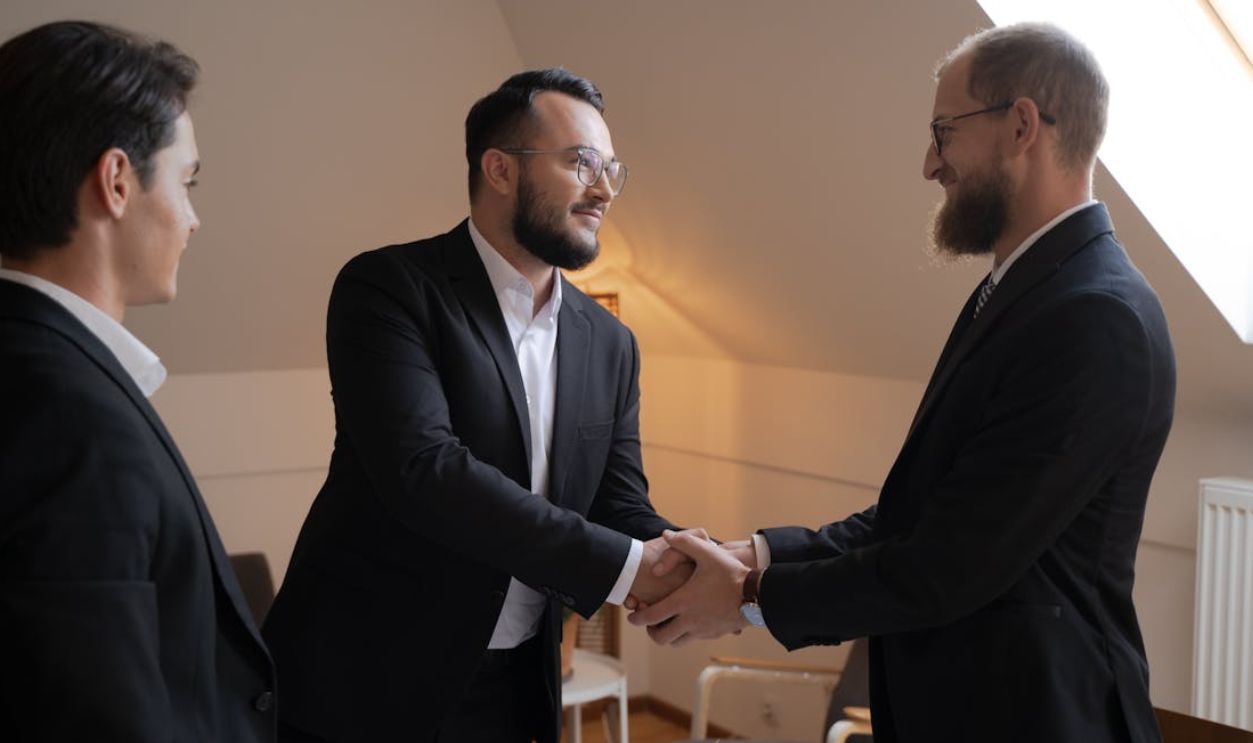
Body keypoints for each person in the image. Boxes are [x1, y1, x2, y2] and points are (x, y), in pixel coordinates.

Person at [630, 22, 1175, 743]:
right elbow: (918, 514)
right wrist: (754, 554)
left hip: (1033, 716)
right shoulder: (1024, 292)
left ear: (1020, 126)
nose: (929, 163)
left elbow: (949, 565)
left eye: (943, 131)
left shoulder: (1094, 316)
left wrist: (748, 596)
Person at [262, 68, 690, 743]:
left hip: (515, 690)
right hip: (363, 685)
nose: (604, 189)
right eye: (581, 162)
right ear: (498, 169)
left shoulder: (611, 341)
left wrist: (689, 557)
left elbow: (616, 502)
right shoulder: (389, 288)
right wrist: (631, 567)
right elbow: (425, 469)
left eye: (611, 169)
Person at [0, 20, 276, 743]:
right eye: (186, 182)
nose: (192, 218)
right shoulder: (65, 409)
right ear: (117, 180)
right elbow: (94, 710)